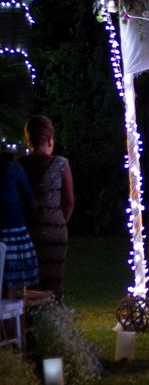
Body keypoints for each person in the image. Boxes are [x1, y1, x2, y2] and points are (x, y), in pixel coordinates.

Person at [19, 116, 74, 299]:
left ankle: (31, 321)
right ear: (50, 138)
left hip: (29, 230)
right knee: (55, 279)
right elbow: (69, 201)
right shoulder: (61, 164)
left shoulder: (20, 166)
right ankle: (54, 318)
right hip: (55, 231)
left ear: (30, 139)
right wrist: (58, 222)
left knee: (30, 281)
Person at [0, 138, 39, 299]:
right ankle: (11, 320)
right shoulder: (13, 167)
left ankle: (9, 320)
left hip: (13, 229)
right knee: (12, 283)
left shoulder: (13, 168)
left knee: (9, 282)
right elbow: (30, 200)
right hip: (13, 230)